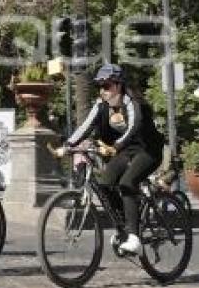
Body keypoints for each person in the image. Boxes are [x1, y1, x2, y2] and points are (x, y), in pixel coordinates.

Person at [55, 63, 165, 255]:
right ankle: (124, 227)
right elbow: (85, 127)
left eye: (106, 86)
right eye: (100, 86)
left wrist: (116, 146)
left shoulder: (132, 102)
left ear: (118, 85)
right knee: (105, 184)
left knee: (127, 183)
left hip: (148, 151)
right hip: (126, 151)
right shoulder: (101, 105)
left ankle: (134, 237)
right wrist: (67, 146)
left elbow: (135, 127)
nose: (102, 91)